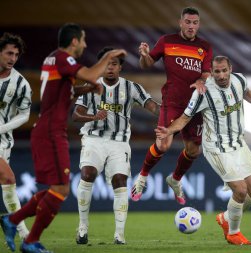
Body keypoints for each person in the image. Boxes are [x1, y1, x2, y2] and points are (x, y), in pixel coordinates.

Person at [0, 23, 127, 253]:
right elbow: (89, 73)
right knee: (61, 190)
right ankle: (30, 241)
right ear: (75, 41)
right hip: (50, 133)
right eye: (84, 40)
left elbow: (63, 91)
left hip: (47, 130)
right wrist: (108, 56)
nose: (86, 44)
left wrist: (86, 90)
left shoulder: (52, 59)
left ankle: (12, 220)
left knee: (57, 188)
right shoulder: (63, 58)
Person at [155, 56, 251, 245]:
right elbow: (184, 118)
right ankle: (233, 233)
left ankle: (226, 217)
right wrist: (169, 130)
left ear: (230, 69)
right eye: (217, 71)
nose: (222, 75)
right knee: (240, 190)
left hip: (238, 143)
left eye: (224, 70)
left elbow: (247, 93)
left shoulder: (239, 80)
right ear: (212, 71)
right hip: (216, 147)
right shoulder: (203, 92)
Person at [74, 47, 160, 245]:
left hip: (119, 142)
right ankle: (82, 228)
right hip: (93, 138)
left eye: (114, 64)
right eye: (107, 64)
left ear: (120, 67)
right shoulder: (90, 86)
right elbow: (76, 114)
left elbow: (153, 107)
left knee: (120, 180)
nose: (110, 68)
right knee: (87, 173)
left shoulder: (131, 88)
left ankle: (119, 234)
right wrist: (93, 116)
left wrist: (173, 116)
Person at [131, 6, 213, 205]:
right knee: (163, 144)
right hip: (173, 103)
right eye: (188, 22)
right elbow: (147, 64)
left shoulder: (206, 47)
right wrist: (144, 55)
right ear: (180, 22)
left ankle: (175, 180)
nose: (191, 26)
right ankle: (142, 177)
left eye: (195, 23)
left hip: (196, 106)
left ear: (198, 24)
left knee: (194, 151)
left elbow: (207, 72)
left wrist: (203, 80)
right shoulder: (167, 41)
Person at [0, 33, 31, 241]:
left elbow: (25, 114)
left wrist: (3, 128)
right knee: (9, 178)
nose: (12, 58)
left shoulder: (20, 83)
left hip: (3, 141)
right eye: (9, 53)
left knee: (7, 183)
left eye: (16, 54)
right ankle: (25, 235)